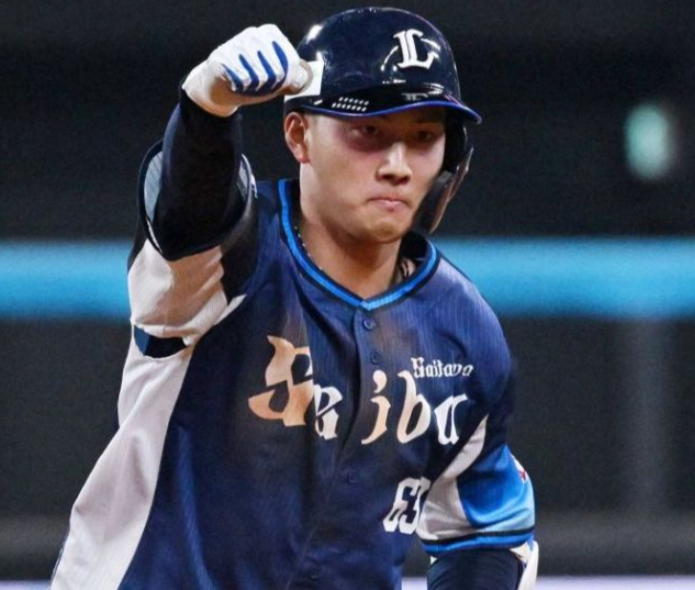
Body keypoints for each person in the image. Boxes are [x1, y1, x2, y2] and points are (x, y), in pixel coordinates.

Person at [51, 7, 537, 590]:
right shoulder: (234, 255)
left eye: (423, 137)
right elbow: (188, 215)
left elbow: (486, 531)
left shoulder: (463, 329)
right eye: (369, 131)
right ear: (299, 135)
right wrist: (206, 110)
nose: (397, 166)